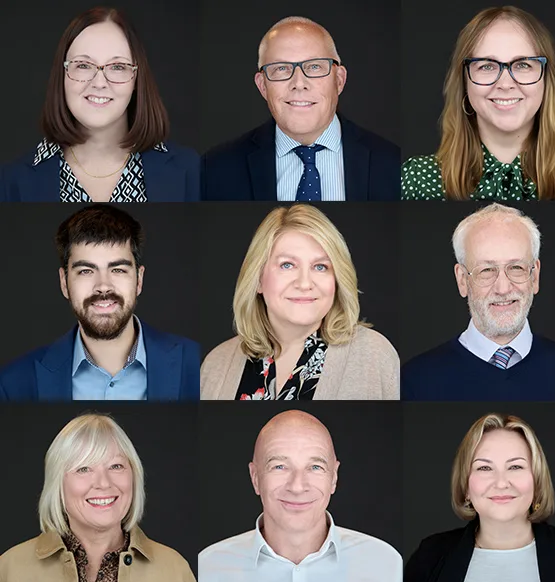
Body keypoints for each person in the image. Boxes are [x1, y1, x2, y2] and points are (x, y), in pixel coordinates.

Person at [199, 204, 401, 400]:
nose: (305, 283)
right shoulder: (217, 362)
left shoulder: (374, 354)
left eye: (320, 267)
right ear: (258, 279)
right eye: (287, 265)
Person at [0, 205, 200, 400]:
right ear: (64, 282)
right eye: (86, 271)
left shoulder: (197, 364)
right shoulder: (13, 384)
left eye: (118, 270)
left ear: (139, 280)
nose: (103, 286)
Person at [402, 204, 555, 400]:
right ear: (462, 279)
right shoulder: (417, 381)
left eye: (516, 267)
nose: (503, 288)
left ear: (535, 276)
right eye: (487, 270)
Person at [197, 409, 402, 582]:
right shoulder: (207, 568)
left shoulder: (387, 565)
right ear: (255, 477)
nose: (297, 486)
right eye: (279, 466)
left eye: (315, 467)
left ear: (334, 477)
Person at [1, 7, 199, 202]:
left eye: (118, 67)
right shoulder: (10, 181)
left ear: (136, 79)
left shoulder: (192, 170)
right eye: (83, 65)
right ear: (62, 76)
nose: (99, 83)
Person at [402, 6, 555, 200]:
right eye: (487, 66)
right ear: (464, 81)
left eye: (523, 65)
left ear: (546, 79)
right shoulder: (418, 179)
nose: (505, 84)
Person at [201, 17, 402, 201]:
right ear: (262, 85)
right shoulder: (215, 169)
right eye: (281, 68)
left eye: (314, 67)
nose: (299, 83)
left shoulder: (392, 163)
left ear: (339, 80)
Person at [404, 413, 555, 582]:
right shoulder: (429, 557)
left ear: (537, 479)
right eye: (485, 468)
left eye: (515, 467)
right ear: (465, 486)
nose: (501, 483)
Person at [0, 414, 196, 582]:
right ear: (57, 483)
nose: (103, 483)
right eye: (84, 468)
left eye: (116, 466)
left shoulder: (175, 570)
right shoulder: (8, 570)